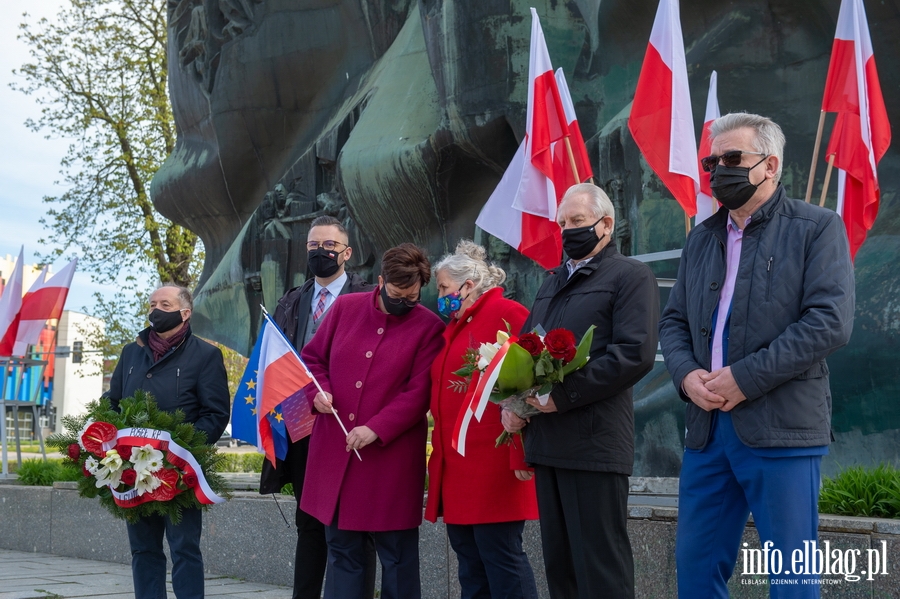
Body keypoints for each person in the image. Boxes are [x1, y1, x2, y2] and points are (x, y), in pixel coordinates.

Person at [658, 112, 855, 597]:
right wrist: (687, 378)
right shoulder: (702, 237)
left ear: (770, 166)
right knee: (696, 571)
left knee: (792, 577)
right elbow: (673, 322)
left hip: (781, 428)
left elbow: (829, 323)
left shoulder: (817, 228)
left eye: (731, 158)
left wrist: (742, 378)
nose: (717, 169)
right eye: (712, 160)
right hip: (707, 433)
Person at [503, 183, 659, 599]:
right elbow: (527, 348)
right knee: (562, 567)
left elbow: (633, 355)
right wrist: (515, 401)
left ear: (606, 224)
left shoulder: (630, 275)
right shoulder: (551, 281)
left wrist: (562, 396)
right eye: (562, 223)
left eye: (577, 221)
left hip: (594, 444)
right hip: (548, 442)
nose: (568, 230)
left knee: (599, 570)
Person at [300, 243, 445, 599]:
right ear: (380, 282)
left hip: (390, 463)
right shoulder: (345, 308)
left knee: (397, 558)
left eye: (413, 296)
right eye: (397, 294)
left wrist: (376, 427)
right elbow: (312, 360)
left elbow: (418, 392)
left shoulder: (429, 327)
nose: (405, 303)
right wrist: (319, 394)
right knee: (343, 555)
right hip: (336, 456)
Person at [258, 215, 376, 599]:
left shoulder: (368, 298)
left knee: (355, 526)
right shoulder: (291, 300)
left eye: (329, 246)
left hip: (349, 426)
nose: (321, 252)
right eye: (313, 246)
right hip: (302, 427)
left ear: (347, 252)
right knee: (308, 522)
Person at [426, 239, 539, 599]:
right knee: (469, 563)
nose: (441, 296)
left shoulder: (509, 314)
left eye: (444, 288)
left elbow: (530, 388)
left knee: (501, 557)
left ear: (467, 286)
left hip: (493, 466)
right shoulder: (455, 326)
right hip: (458, 467)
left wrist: (520, 453)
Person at [106, 284, 230, 599]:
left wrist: (181, 453)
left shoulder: (206, 355)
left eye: (165, 304)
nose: (156, 310)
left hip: (179, 472)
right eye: (152, 304)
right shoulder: (130, 352)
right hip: (133, 470)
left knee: (184, 549)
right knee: (143, 549)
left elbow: (214, 414)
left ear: (185, 313)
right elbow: (113, 401)